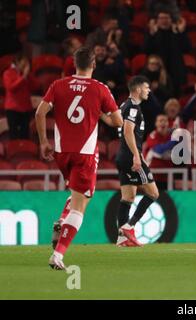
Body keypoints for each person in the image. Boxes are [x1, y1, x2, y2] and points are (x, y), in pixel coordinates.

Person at [35, 47, 123, 270]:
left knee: (78, 195)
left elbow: (39, 112)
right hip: (84, 153)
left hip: (61, 152)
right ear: (94, 65)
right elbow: (118, 122)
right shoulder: (100, 89)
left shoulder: (58, 85)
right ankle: (58, 254)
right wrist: (99, 112)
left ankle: (62, 222)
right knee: (79, 207)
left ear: (74, 64)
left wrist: (44, 142)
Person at [115, 75, 160, 247]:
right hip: (130, 156)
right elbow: (128, 131)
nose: (149, 91)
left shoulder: (124, 105)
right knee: (153, 193)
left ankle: (121, 238)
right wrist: (136, 154)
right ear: (138, 89)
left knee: (128, 197)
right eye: (147, 88)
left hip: (122, 155)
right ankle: (129, 226)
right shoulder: (133, 107)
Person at [2, 52, 36, 139]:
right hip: (13, 109)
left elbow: (35, 86)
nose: (26, 65)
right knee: (14, 134)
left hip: (26, 108)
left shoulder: (26, 74)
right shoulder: (8, 73)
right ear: (17, 62)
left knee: (25, 135)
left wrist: (28, 75)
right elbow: (11, 87)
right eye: (24, 63)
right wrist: (23, 76)